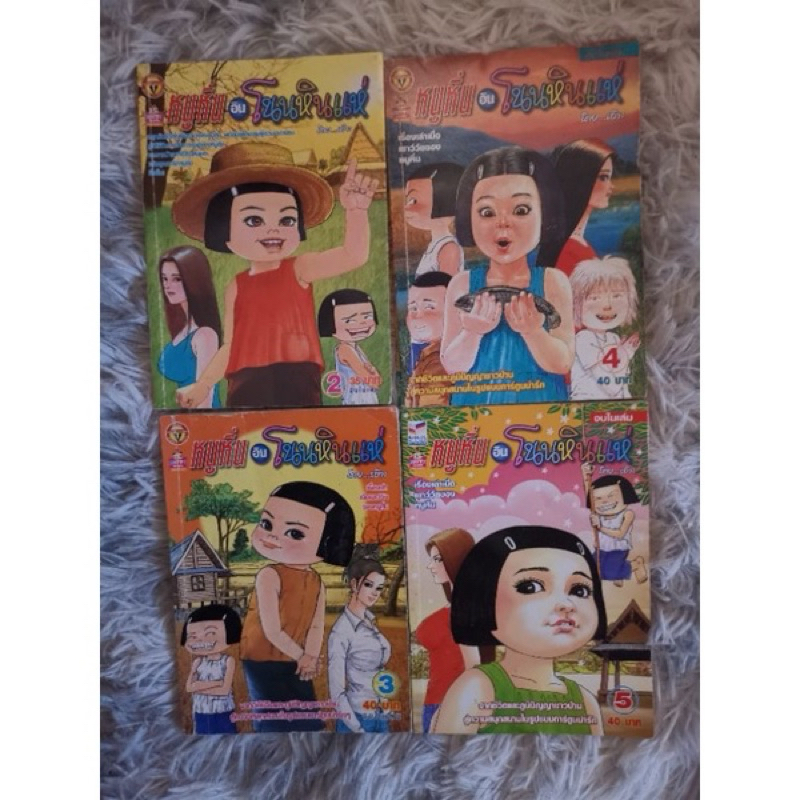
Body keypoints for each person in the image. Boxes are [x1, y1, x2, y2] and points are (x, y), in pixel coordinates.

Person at [171, 141, 378, 409]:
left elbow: (353, 255)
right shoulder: (236, 285)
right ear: (223, 232)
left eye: (287, 220)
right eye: (254, 220)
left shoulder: (299, 267)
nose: (273, 230)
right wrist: (203, 386)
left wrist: (357, 211)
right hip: (245, 383)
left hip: (297, 378)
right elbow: (231, 345)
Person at [434, 526, 606, 735]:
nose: (566, 604)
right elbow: (447, 750)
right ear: (483, 597)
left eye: (580, 590)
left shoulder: (586, 702)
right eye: (530, 587)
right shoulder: (478, 688)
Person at [441, 146, 574, 404]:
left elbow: (563, 363)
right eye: (487, 212)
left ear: (545, 213)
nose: (503, 222)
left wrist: (534, 332)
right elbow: (451, 367)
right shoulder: (462, 284)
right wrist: (472, 332)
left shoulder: (553, 281)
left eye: (521, 210)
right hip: (474, 410)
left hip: (541, 405)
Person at [239, 481, 355, 732]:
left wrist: (310, 657)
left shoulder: (316, 581)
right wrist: (303, 656)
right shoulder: (268, 575)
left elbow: (316, 625)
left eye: (295, 533)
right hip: (261, 656)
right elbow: (271, 630)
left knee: (306, 715)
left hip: (296, 657)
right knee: (271, 718)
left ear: (329, 543)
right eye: (266, 524)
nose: (272, 536)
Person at [415, 529, 481, 733]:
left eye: (437, 559)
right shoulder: (455, 608)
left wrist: (449, 710)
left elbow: (473, 667)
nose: (430, 566)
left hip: (448, 705)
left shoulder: (464, 612)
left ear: (456, 559)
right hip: (434, 701)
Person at [327, 557, 392, 732]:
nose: (375, 593)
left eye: (379, 588)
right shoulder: (341, 631)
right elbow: (337, 691)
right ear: (355, 584)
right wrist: (356, 727)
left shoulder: (371, 623)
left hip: (380, 714)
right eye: (369, 585)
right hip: (357, 718)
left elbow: (379, 670)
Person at [157, 246, 221, 408]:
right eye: (164, 278)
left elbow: (204, 400)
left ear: (194, 280)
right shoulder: (182, 329)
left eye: (177, 279)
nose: (168, 285)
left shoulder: (205, 335)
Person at [569, 256, 640, 399]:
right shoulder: (583, 339)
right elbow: (607, 382)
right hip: (588, 402)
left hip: (613, 403)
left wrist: (627, 352)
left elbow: (619, 377)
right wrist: (625, 353)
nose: (607, 306)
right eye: (595, 298)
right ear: (576, 304)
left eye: (616, 296)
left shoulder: (613, 338)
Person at [552, 139, 616, 276]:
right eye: (603, 177)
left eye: (609, 177)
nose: (611, 186)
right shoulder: (566, 250)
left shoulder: (578, 243)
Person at [181, 603, 242, 735]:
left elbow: (224, 690)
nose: (202, 640)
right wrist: (217, 682)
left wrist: (199, 687)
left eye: (210, 633)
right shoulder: (197, 662)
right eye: (193, 636)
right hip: (201, 711)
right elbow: (189, 688)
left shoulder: (228, 661)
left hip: (223, 711)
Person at [582, 464, 642, 586]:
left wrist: (600, 527)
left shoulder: (627, 514)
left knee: (610, 572)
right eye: (599, 498)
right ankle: (617, 573)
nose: (605, 501)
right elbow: (589, 493)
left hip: (618, 549)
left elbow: (620, 534)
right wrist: (585, 475)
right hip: (601, 548)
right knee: (592, 569)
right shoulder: (598, 515)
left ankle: (636, 564)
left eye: (611, 496)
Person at [317, 289, 381, 405]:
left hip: (364, 400)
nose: (361, 323)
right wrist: (373, 373)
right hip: (356, 402)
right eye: (349, 320)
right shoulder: (345, 349)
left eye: (367, 317)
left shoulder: (356, 348)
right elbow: (373, 381)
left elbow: (375, 380)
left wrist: (373, 373)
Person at [404, 162, 465, 276]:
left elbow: (448, 284)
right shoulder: (436, 245)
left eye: (414, 201)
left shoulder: (448, 248)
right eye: (408, 201)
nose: (406, 208)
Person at [405, 272, 452, 406]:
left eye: (429, 307)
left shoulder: (441, 360)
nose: (418, 316)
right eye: (413, 308)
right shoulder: (427, 354)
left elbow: (433, 411)